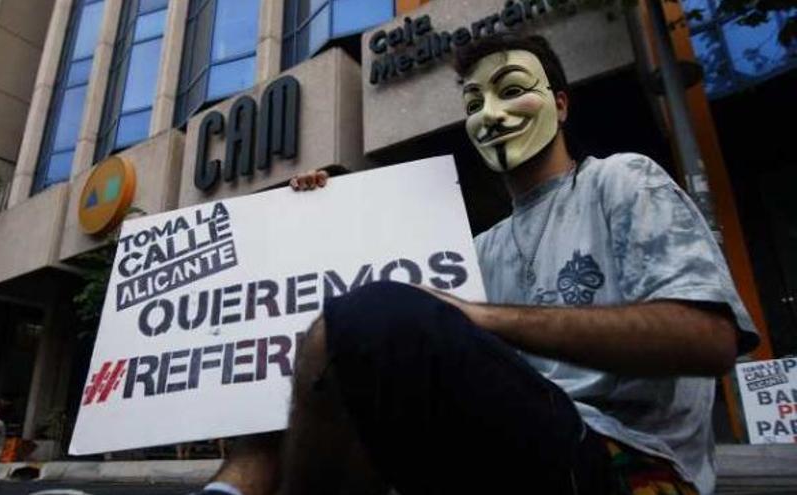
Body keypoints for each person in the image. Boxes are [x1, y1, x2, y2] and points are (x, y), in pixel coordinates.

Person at [197, 33, 758, 495]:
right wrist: (319, 209)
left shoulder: (622, 180)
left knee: (366, 329)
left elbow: (708, 338)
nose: (489, 115)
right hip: (506, 452)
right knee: (304, 382)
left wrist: (484, 318)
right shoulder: (479, 247)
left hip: (629, 467)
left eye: (511, 91)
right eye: (472, 104)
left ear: (560, 103)